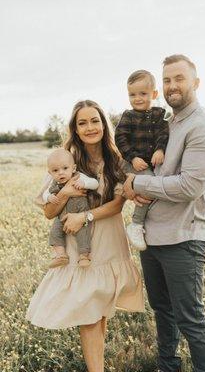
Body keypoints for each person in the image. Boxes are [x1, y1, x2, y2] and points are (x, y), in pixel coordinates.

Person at [123, 54, 205, 372]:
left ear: (195, 83)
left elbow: (188, 187)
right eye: (166, 80)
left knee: (191, 319)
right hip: (152, 237)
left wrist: (136, 183)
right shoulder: (166, 124)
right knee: (163, 310)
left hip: (184, 237)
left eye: (179, 78)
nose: (172, 86)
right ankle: (169, 366)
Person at [26, 100, 144, 372]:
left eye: (95, 120)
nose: (90, 127)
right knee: (89, 315)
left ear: (103, 124)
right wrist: (66, 194)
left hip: (108, 238)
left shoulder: (116, 158)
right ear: (75, 129)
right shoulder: (65, 159)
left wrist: (85, 216)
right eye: (82, 122)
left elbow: (117, 205)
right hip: (80, 244)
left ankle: (97, 366)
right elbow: (48, 211)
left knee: (99, 311)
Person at [115, 69, 169, 250]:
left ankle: (146, 221)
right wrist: (133, 157)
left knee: (153, 187)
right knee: (149, 184)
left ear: (154, 94)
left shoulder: (159, 114)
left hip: (148, 162)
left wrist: (160, 149)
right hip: (132, 161)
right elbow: (120, 139)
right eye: (132, 94)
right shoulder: (128, 116)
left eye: (143, 94)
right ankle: (136, 224)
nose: (137, 98)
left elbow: (163, 133)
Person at [43, 148, 99, 268]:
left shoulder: (79, 177)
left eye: (65, 168)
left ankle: (84, 256)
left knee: (83, 233)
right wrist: (49, 198)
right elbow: (45, 194)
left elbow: (95, 183)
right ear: (50, 173)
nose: (60, 173)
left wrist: (84, 184)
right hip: (61, 215)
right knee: (54, 232)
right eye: (55, 170)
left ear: (73, 168)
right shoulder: (53, 183)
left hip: (79, 212)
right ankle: (61, 255)